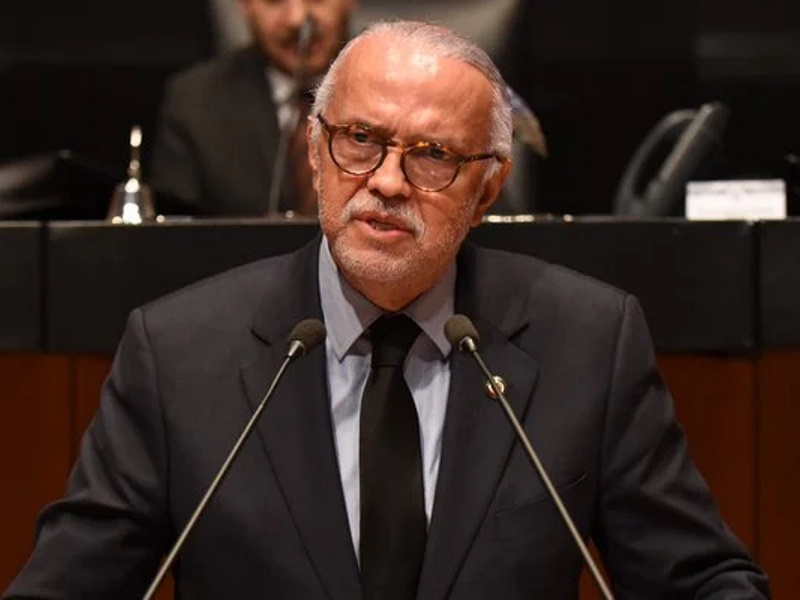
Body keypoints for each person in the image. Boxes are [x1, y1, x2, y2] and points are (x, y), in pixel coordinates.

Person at [4, 21, 770, 599]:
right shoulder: (178, 353)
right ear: (315, 152)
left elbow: (700, 578)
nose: (388, 181)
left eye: (433, 155)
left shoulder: (587, 341)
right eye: (360, 140)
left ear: (488, 188)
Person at [149, 0, 354, 216]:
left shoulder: (383, 82)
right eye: (273, 1)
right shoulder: (194, 101)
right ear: (245, 6)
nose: (296, 19)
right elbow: (174, 227)